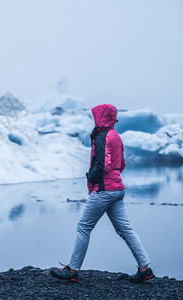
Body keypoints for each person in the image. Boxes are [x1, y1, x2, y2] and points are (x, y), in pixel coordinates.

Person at [50, 104, 154, 283]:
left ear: (101, 117)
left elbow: (102, 164)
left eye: (96, 116)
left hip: (104, 190)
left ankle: (72, 271)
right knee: (125, 229)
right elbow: (121, 164)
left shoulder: (102, 137)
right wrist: (111, 178)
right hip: (117, 189)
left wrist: (90, 177)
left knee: (84, 227)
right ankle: (145, 268)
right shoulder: (116, 136)